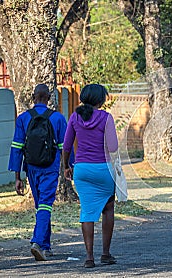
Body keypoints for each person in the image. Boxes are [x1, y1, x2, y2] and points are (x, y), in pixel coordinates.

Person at [8, 84, 68, 261]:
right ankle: (38, 242)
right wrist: (67, 167)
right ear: (49, 98)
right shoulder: (57, 118)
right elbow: (64, 147)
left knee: (41, 205)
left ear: (33, 97)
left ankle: (46, 245)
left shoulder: (23, 118)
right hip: (50, 168)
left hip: (31, 168)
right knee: (45, 205)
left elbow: (17, 147)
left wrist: (17, 177)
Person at [62, 84, 118, 268]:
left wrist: (66, 167)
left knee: (87, 210)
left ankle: (89, 258)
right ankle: (106, 253)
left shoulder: (75, 116)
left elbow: (67, 146)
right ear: (101, 100)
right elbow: (113, 147)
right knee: (108, 208)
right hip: (104, 169)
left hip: (82, 170)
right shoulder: (106, 118)